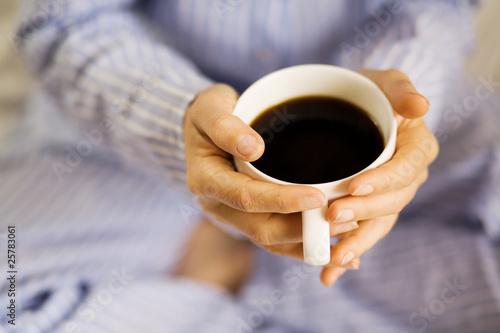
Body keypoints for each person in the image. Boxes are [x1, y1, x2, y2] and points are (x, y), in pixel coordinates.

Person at [1, 0, 499, 332]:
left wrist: (398, 86)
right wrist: (176, 115)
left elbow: (436, 7)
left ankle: (229, 272)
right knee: (10, 296)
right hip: (130, 124)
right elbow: (63, 21)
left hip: (421, 124)